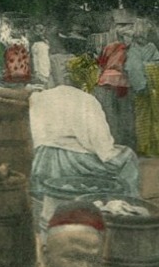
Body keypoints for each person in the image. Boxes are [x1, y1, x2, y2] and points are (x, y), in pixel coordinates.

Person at [27, 81, 140, 230]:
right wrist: (112, 154)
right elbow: (101, 143)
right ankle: (127, 213)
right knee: (128, 156)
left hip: (44, 160)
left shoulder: (39, 97)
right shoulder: (86, 100)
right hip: (72, 162)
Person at [125, 20, 159, 157]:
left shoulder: (151, 47)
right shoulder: (133, 50)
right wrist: (141, 85)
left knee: (157, 115)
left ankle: (157, 145)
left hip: (155, 86)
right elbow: (133, 69)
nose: (142, 37)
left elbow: (158, 62)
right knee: (143, 116)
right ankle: (144, 146)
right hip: (143, 87)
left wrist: (152, 68)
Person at [93, 17, 136, 148]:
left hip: (107, 82)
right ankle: (122, 143)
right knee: (123, 114)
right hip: (120, 83)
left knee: (111, 114)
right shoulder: (130, 49)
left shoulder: (110, 47)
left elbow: (100, 64)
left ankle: (114, 142)